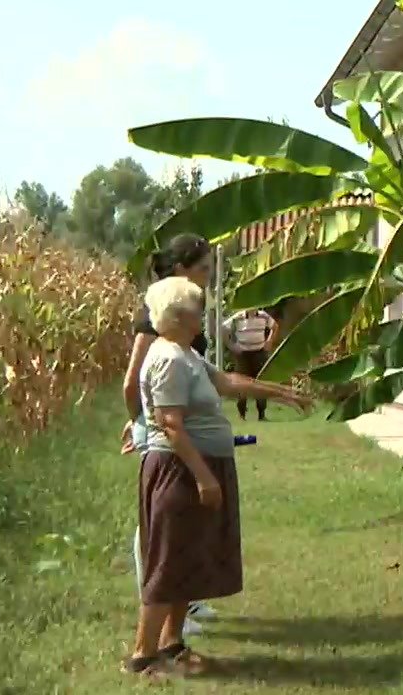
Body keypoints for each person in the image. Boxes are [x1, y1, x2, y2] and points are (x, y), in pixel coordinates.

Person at [125, 275, 311, 677]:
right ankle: (143, 656)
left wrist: (280, 392)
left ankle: (172, 645)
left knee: (187, 558)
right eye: (197, 309)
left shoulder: (186, 354)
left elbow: (226, 381)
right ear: (178, 315)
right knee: (168, 560)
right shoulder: (169, 359)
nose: (202, 316)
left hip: (195, 465)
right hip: (178, 470)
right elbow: (170, 425)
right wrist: (203, 477)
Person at [118, 235, 217, 638]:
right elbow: (133, 381)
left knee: (180, 518)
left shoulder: (184, 308)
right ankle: (160, 601)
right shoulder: (158, 312)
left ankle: (184, 600)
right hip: (162, 427)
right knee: (160, 521)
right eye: (203, 269)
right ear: (180, 270)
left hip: (174, 421)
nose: (209, 277)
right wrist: (140, 423)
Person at [225, 307, 278, 420]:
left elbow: (274, 327)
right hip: (243, 355)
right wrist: (231, 345)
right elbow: (223, 329)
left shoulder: (263, 316)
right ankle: (242, 413)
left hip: (259, 353)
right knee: (241, 384)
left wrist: (269, 341)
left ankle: (261, 414)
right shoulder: (238, 317)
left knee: (260, 383)